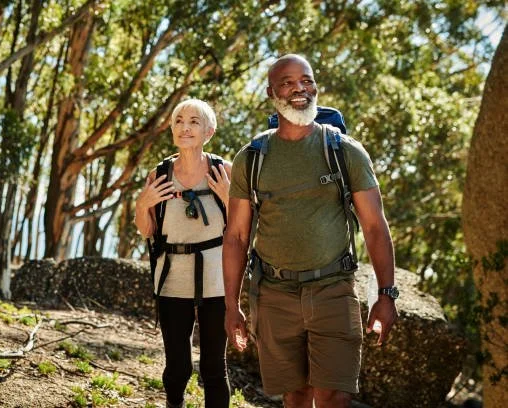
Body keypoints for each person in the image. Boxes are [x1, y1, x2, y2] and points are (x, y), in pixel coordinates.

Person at [223, 54, 398, 408]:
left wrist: (387, 294)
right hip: (274, 294)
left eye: (306, 80)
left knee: (334, 396)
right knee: (296, 396)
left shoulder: (344, 151)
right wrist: (231, 305)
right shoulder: (252, 158)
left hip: (333, 289)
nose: (299, 88)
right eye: (287, 82)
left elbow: (375, 225)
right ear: (272, 93)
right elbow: (237, 236)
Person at [135, 98, 232, 408]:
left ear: (209, 131)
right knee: (177, 365)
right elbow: (147, 230)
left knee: (214, 367)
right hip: (172, 279)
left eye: (193, 121)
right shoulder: (160, 173)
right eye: (179, 121)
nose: (185, 127)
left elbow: (244, 228)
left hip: (217, 282)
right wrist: (142, 204)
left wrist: (230, 198)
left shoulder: (224, 171)